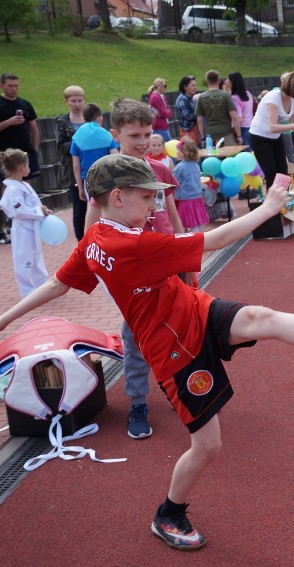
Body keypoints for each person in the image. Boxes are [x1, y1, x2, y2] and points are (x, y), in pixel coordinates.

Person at [0, 153, 294, 551]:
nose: (154, 204)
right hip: (173, 351)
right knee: (208, 447)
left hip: (195, 310)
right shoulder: (131, 244)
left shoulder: (96, 238)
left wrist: (3, 319)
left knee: (262, 317)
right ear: (117, 196)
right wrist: (270, 208)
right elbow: (216, 239)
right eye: (146, 196)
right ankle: (169, 512)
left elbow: (56, 284)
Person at [83, 97, 185, 440]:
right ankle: (138, 402)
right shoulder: (103, 174)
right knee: (135, 336)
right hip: (131, 275)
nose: (143, 142)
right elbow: (91, 228)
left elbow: (172, 215)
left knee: (177, 329)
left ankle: (176, 387)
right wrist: (93, 264)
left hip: (167, 264)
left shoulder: (160, 169)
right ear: (116, 134)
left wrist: (184, 251)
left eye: (148, 133)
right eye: (134, 135)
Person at [0, 148, 51, 297]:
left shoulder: (24, 185)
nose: (29, 167)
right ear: (22, 167)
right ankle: (27, 290)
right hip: (22, 229)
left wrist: (43, 211)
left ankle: (42, 284)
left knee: (36, 256)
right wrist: (37, 211)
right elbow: (18, 210)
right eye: (27, 164)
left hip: (32, 227)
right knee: (24, 259)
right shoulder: (12, 189)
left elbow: (34, 204)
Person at [0, 73, 41, 244]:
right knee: (4, 192)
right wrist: (9, 122)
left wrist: (35, 148)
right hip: (5, 157)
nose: (13, 88)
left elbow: (33, 127)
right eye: (10, 85)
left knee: (26, 189)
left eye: (16, 85)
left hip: (25, 154)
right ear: (2, 85)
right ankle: (2, 229)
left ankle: (25, 222)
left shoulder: (25, 104)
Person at [248, 72, 294, 187]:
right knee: (271, 174)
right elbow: (273, 127)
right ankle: (274, 203)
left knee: (283, 172)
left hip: (275, 137)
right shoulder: (274, 97)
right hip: (259, 137)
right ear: (293, 87)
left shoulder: (293, 101)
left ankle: (283, 201)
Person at [70, 103, 119, 228]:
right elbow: (116, 157)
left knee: (92, 208)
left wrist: (80, 187)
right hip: (108, 176)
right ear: (99, 118)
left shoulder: (77, 137)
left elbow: (76, 166)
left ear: (84, 118)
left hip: (89, 178)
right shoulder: (106, 134)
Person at [56, 85, 87, 241]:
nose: (77, 104)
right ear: (67, 102)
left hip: (92, 168)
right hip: (73, 171)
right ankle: (81, 243)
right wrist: (79, 142)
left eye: (80, 100)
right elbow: (61, 147)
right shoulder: (62, 122)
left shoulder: (90, 119)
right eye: (73, 101)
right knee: (79, 210)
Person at [196, 70, 242, 147]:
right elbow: (234, 117)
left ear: (206, 81)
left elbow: (199, 120)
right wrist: (239, 136)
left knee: (213, 157)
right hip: (226, 134)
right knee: (229, 157)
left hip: (210, 136)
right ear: (219, 80)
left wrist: (203, 138)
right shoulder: (225, 95)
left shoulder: (201, 97)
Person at [171, 137, 208, 233]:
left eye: (178, 150)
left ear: (185, 152)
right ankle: (200, 238)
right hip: (197, 197)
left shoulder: (179, 167)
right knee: (197, 222)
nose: (176, 152)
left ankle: (194, 241)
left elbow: (173, 182)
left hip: (186, 199)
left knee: (190, 222)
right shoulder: (195, 165)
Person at [228, 71, 254, 148]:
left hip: (243, 129)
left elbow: (239, 118)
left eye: (229, 80)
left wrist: (237, 134)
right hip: (252, 126)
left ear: (232, 82)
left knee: (246, 152)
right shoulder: (248, 94)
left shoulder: (234, 98)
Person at [175, 75, 199, 144]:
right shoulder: (182, 99)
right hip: (188, 133)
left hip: (193, 132)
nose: (195, 88)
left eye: (195, 85)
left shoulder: (190, 98)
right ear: (185, 87)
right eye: (192, 86)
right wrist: (200, 114)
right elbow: (188, 117)